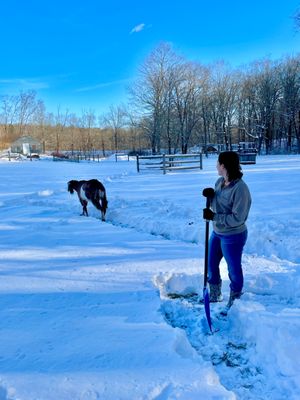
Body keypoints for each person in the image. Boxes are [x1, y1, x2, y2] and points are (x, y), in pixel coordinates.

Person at [202, 151, 252, 310]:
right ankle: (215, 294)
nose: (216, 165)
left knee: (233, 269)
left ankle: (235, 302)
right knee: (211, 264)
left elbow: (238, 218)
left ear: (224, 165)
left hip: (233, 235)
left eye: (218, 163)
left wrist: (214, 216)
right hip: (217, 232)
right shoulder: (219, 182)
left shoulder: (241, 189)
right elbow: (217, 205)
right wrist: (210, 197)